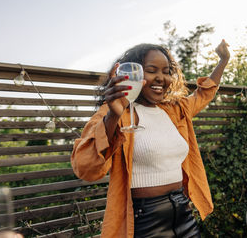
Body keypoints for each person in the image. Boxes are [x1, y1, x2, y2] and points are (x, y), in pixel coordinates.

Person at [71, 40, 230, 237]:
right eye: (152, 70)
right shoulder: (113, 111)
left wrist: (223, 60)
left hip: (183, 212)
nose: (161, 78)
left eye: (166, 71)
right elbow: (86, 168)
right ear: (134, 75)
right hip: (145, 220)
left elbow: (204, 93)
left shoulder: (174, 109)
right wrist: (113, 116)